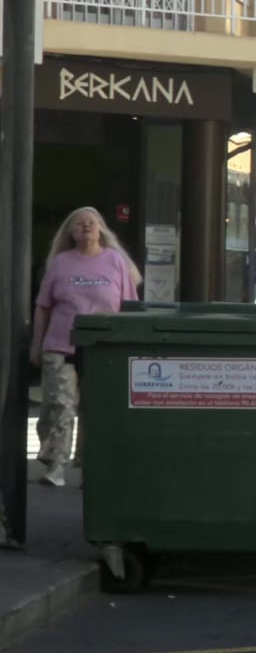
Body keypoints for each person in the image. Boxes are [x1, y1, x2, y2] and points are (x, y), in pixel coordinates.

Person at [30, 207, 141, 488]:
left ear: (101, 229)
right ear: (70, 232)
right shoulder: (61, 263)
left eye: (91, 223)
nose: (86, 227)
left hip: (102, 346)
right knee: (59, 406)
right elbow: (43, 307)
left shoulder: (115, 261)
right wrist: (37, 345)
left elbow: (128, 306)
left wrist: (128, 343)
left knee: (95, 408)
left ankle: (88, 464)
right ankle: (56, 465)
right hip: (60, 345)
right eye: (79, 223)